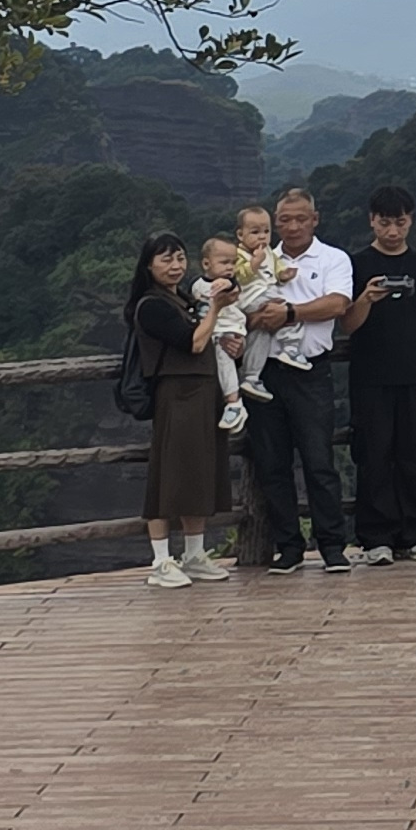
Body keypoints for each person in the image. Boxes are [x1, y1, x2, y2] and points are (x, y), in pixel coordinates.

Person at [240, 187, 357, 574]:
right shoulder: (258, 260)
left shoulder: (333, 258)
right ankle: (289, 547)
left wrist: (289, 313)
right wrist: (258, 319)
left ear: (314, 219)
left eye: (300, 219)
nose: (292, 226)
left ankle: (332, 546)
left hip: (311, 372)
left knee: (318, 461)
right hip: (264, 371)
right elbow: (237, 307)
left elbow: (338, 304)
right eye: (285, 220)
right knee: (272, 464)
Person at [338, 183, 416, 564]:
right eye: (385, 223)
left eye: (400, 222)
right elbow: (347, 324)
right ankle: (376, 538)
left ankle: (413, 534)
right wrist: (366, 299)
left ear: (411, 221)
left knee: (415, 455)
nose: (392, 231)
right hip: (370, 377)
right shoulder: (355, 265)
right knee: (373, 455)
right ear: (372, 221)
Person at [128, 234, 233, 587]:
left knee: (198, 473)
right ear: (149, 266)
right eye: (166, 260)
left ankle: (194, 554)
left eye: (180, 258)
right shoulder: (152, 306)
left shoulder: (183, 299)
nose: (175, 266)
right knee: (167, 475)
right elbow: (194, 342)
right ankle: (161, 560)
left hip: (202, 392)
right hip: (176, 395)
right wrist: (216, 309)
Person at [195, 225, 257, 436]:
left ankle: (234, 402)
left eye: (233, 262)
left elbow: (232, 288)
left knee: (224, 358)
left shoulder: (229, 285)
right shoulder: (197, 285)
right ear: (206, 264)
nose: (230, 267)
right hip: (211, 332)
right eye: (224, 262)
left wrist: (226, 283)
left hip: (228, 328)